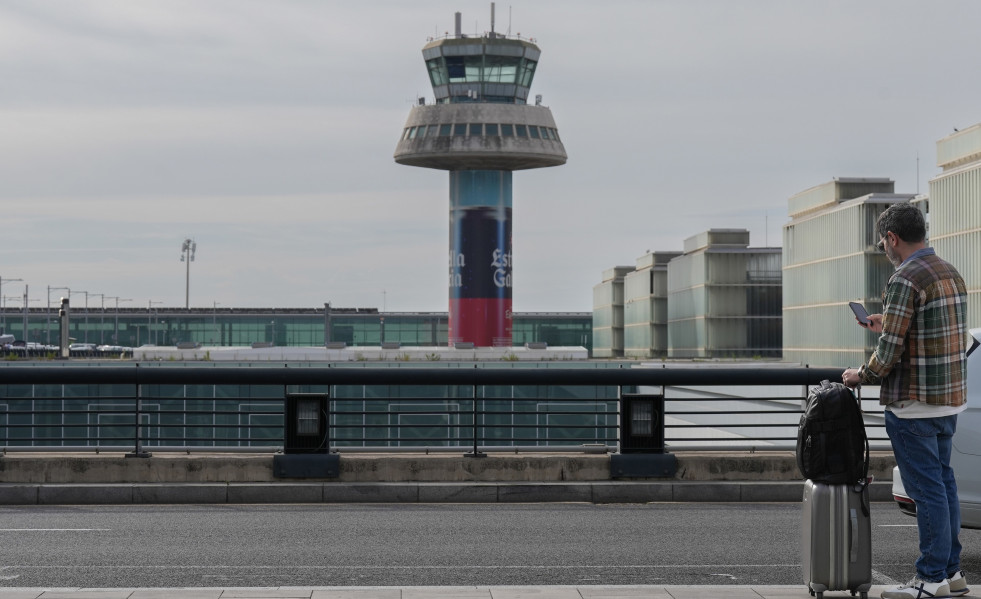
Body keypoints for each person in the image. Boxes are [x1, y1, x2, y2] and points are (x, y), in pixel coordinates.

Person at [842, 202, 969, 599]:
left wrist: (859, 376)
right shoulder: (949, 272)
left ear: (892, 238)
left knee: (927, 491)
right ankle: (951, 574)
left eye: (884, 241)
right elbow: (935, 330)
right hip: (948, 400)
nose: (884, 247)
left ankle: (930, 579)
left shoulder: (904, 278)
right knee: (944, 485)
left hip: (913, 404)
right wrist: (886, 319)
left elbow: (890, 349)